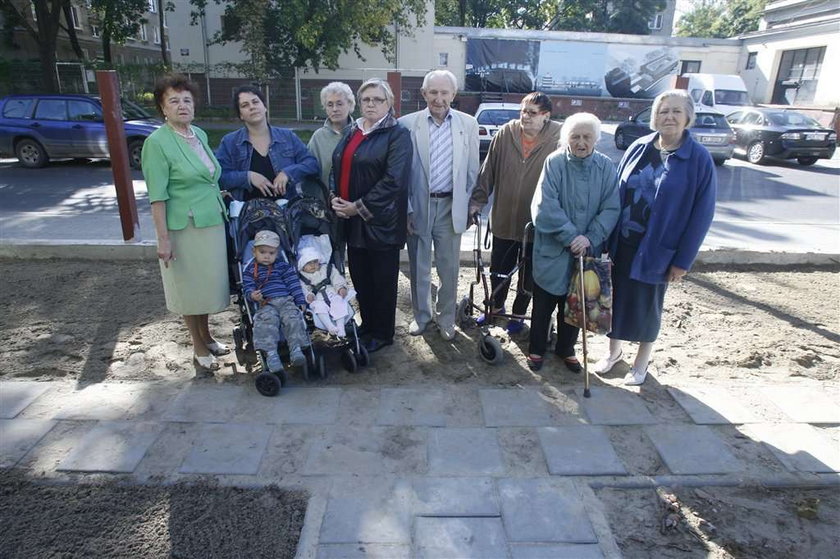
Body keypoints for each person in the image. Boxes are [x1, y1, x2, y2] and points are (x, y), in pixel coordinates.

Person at [596, 89, 717, 386]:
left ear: (688, 116)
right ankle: (613, 352)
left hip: (658, 249)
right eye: (664, 111)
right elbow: (614, 194)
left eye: (676, 111)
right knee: (616, 300)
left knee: (647, 306)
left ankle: (641, 362)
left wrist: (683, 260)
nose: (669, 117)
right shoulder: (639, 146)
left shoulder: (698, 158)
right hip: (622, 242)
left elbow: (702, 215)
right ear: (655, 116)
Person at [141, 73, 230, 376]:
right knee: (189, 289)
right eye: (174, 101)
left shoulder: (199, 135)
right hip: (183, 226)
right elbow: (157, 196)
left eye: (187, 100)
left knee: (205, 286)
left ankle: (207, 336)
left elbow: (208, 176)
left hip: (211, 221)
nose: (182, 106)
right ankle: (198, 347)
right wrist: (162, 238)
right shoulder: (157, 143)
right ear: (162, 107)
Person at [527, 113, 620, 372]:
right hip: (554, 247)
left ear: (596, 139)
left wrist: (589, 238)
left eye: (587, 137)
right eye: (575, 136)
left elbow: (611, 208)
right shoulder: (554, 163)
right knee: (544, 302)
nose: (581, 142)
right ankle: (536, 347)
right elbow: (544, 205)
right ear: (566, 139)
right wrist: (570, 236)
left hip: (587, 249)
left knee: (577, 302)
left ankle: (565, 349)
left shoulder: (605, 167)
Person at [468, 92, 562, 334]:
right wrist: (477, 201)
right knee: (499, 269)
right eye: (523, 111)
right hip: (504, 219)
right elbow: (487, 170)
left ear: (546, 116)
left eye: (532, 113)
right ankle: (496, 308)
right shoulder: (506, 133)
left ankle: (519, 315)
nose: (525, 117)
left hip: (537, 224)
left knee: (528, 275)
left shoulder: (558, 138)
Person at [330, 78, 412, 353]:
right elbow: (337, 166)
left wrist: (358, 206)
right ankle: (367, 326)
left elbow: (394, 181)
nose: (371, 104)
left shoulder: (397, 134)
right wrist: (334, 197)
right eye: (366, 99)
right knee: (361, 278)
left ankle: (382, 332)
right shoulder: (352, 130)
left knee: (382, 282)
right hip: (351, 222)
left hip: (381, 224)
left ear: (389, 104)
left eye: (378, 99)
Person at [399, 70, 480, 341]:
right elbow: (401, 174)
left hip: (450, 206)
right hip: (420, 205)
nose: (439, 98)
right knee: (419, 267)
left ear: (453, 95)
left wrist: (469, 205)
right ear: (424, 94)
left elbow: (472, 169)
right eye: (433, 92)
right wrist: (407, 208)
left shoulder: (468, 125)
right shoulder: (406, 124)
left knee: (449, 268)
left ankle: (446, 319)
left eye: (444, 92)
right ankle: (422, 317)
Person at [216, 85, 319, 201]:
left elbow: (311, 164)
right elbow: (220, 177)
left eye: (255, 102)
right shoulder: (230, 142)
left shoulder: (287, 137)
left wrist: (287, 173)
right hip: (246, 213)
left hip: (286, 211)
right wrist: (248, 177)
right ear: (241, 115)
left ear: (264, 107)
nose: (252, 107)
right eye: (245, 105)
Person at [241, 230, 309, 372]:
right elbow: (247, 288)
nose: (267, 256)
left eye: (271, 253)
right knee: (266, 322)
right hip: (266, 303)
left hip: (286, 300)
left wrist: (300, 300)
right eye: (262, 252)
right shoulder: (249, 270)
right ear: (254, 252)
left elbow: (293, 283)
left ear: (277, 253)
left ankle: (296, 349)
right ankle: (271, 355)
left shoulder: (283, 266)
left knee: (293, 318)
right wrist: (252, 295)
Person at [308, 82, 355, 188]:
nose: (335, 109)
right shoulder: (318, 137)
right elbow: (309, 171)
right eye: (330, 104)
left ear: (350, 104)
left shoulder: (360, 133)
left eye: (339, 104)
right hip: (325, 199)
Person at [297, 245, 351, 337]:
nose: (313, 265)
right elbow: (304, 289)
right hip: (317, 298)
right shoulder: (302, 278)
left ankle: (340, 327)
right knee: (318, 307)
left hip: (332, 293)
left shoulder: (327, 269)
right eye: (309, 263)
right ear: (302, 265)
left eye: (315, 262)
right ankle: (330, 327)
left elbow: (336, 279)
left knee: (339, 302)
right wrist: (308, 296)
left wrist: (340, 288)